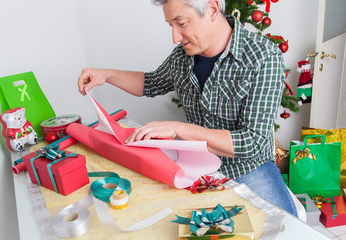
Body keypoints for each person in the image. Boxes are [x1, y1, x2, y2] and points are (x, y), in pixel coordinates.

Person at [78, 0, 298, 217]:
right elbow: (151, 82)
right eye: (170, 26)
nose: (175, 37)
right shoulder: (180, 58)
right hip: (197, 167)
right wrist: (106, 74)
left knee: (287, 231)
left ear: (212, 9)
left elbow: (254, 142)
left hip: (250, 169)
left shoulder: (263, 56)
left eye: (181, 23)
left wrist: (178, 129)